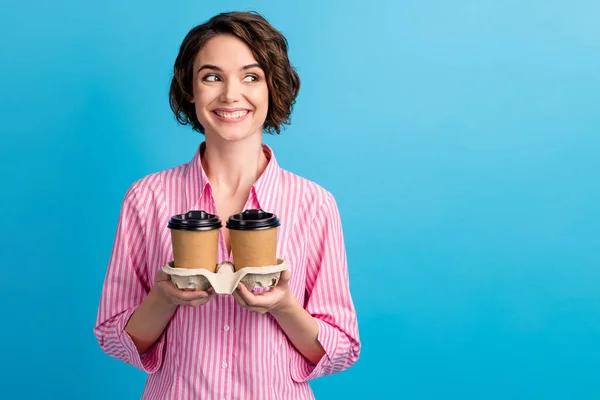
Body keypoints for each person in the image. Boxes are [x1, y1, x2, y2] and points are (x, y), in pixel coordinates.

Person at [94, 11, 360, 400]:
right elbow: (114, 338)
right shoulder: (147, 199)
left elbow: (340, 349)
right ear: (190, 89)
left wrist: (284, 306)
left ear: (273, 88)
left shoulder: (314, 205)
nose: (230, 94)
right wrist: (164, 297)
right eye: (212, 76)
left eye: (251, 76)